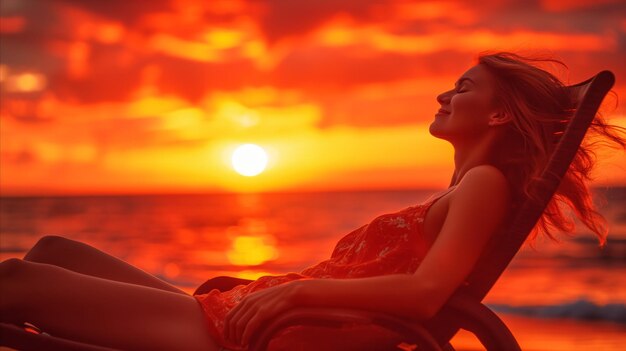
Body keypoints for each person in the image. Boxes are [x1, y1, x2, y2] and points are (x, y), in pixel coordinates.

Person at [1, 52, 624, 351]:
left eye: (461, 87)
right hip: (260, 314)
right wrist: (281, 292)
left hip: (271, 334)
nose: (442, 94)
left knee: (15, 282)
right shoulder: (466, 188)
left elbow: (428, 293)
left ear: (494, 112)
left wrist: (295, 293)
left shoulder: (485, 184)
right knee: (54, 247)